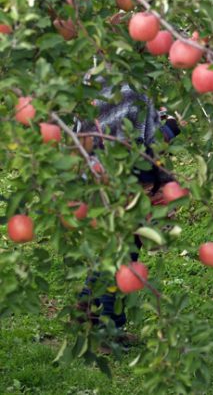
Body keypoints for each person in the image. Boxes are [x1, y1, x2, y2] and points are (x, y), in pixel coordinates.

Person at [75, 80, 180, 331]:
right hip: (128, 183)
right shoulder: (135, 87)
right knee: (124, 257)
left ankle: (87, 304)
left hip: (95, 177)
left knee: (112, 248)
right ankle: (109, 327)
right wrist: (173, 127)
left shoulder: (88, 80)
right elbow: (150, 144)